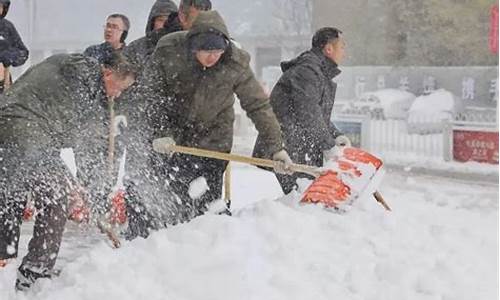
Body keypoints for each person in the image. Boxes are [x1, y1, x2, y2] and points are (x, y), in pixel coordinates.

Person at [0, 52, 137, 291]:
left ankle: (5, 260)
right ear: (107, 73)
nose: (118, 94)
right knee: (56, 198)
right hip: (26, 132)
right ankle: (35, 271)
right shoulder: (82, 88)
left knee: (10, 194)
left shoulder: (73, 67)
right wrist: (78, 186)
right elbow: (79, 140)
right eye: (119, 87)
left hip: (10, 124)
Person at [143, 10, 292, 216]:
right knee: (176, 198)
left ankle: (210, 237)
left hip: (214, 138)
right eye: (206, 51)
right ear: (193, 45)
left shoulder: (235, 63)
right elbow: (151, 96)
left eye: (217, 51)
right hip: (173, 138)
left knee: (208, 200)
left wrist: (276, 147)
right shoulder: (170, 52)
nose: (213, 56)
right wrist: (161, 132)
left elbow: (257, 105)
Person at [253, 27, 351, 194]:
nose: (345, 52)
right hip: (288, 147)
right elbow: (308, 113)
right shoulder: (307, 71)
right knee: (301, 199)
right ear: (328, 49)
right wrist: (329, 146)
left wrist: (335, 135)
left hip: (299, 145)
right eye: (342, 46)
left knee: (305, 200)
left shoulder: (317, 71)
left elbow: (316, 114)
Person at [123, 0, 180, 70]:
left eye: (169, 20)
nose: (165, 24)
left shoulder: (182, 45)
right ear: (153, 22)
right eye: (160, 20)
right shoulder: (135, 47)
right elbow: (123, 74)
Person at [0, 0, 29, 94]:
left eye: (0, 6)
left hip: (4, 85)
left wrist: (9, 56)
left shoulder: (7, 27)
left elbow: (23, 52)